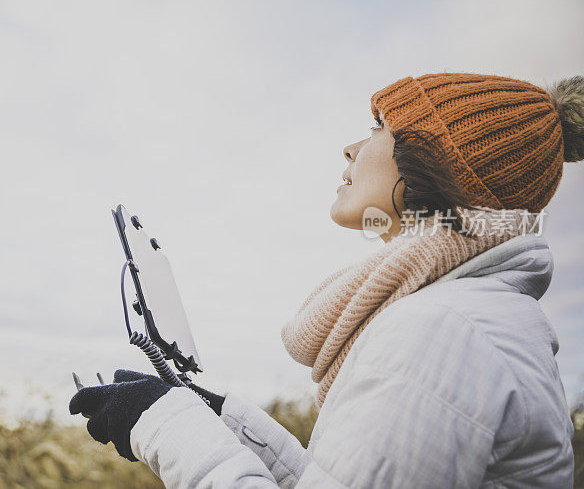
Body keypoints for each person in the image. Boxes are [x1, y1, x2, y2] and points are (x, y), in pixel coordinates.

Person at [70, 73, 582, 488]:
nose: (350, 147)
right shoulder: (463, 314)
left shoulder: (444, 330)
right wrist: (219, 418)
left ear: (438, 158)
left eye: (379, 125)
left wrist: (165, 424)